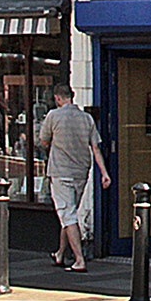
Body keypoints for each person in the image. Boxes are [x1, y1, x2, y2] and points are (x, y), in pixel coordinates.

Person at [35, 84, 109, 272]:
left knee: (68, 215)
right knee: (69, 213)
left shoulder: (53, 116)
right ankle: (60, 253)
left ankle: (79, 260)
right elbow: (95, 148)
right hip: (81, 172)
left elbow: (43, 141)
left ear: (58, 98)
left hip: (61, 172)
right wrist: (104, 173)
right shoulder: (87, 118)